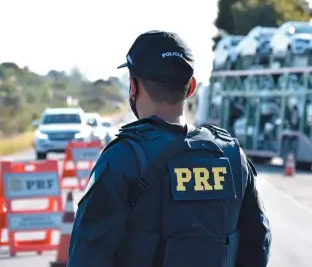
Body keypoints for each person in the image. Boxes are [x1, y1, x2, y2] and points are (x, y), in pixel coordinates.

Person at [67, 30, 272, 267]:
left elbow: (88, 253)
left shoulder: (122, 158)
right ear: (191, 87)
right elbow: (259, 243)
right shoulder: (231, 155)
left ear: (133, 87)